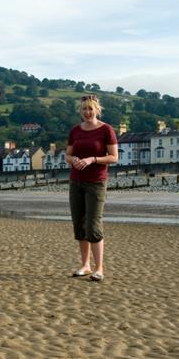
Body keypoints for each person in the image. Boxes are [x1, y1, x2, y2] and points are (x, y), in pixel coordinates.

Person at [64, 94, 118, 281]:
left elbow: (113, 157)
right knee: (79, 223)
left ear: (97, 109)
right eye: (84, 109)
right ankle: (85, 265)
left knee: (93, 225)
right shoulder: (75, 131)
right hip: (76, 181)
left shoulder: (106, 130)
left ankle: (99, 268)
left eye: (90, 108)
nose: (87, 112)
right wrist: (75, 160)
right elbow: (68, 155)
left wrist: (92, 159)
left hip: (96, 182)